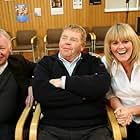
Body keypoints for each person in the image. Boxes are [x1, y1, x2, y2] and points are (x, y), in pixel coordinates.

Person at [33, 24, 112, 140]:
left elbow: (102, 85)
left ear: (82, 46)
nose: (67, 42)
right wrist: (86, 95)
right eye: (64, 38)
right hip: (53, 128)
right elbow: (41, 94)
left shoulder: (94, 62)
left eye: (73, 39)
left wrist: (64, 83)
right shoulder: (45, 63)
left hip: (93, 128)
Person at [102, 23, 140, 140]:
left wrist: (130, 111)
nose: (120, 47)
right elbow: (109, 93)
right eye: (115, 43)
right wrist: (120, 109)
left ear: (134, 43)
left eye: (125, 42)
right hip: (124, 119)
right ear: (109, 47)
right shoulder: (105, 63)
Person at [0, 28, 36, 140]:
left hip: (14, 125)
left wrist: (31, 84)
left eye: (1, 48)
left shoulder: (18, 62)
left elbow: (39, 69)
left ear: (10, 49)